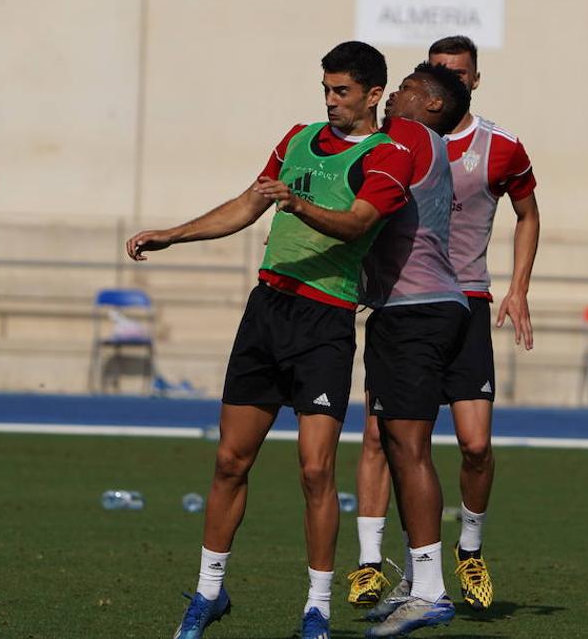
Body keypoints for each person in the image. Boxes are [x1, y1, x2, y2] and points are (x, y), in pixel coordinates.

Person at [126, 41, 413, 639]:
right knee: (230, 460)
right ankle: (209, 592)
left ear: (373, 94)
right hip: (268, 311)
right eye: (326, 91)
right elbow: (248, 203)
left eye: (342, 92)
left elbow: (359, 223)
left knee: (314, 471)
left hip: (324, 323)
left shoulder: (389, 156)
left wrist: (298, 203)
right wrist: (173, 235)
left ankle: (316, 608)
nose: (331, 102)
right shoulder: (298, 139)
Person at [349, 36, 539, 615]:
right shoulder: (393, 140)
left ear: (468, 84)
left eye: (451, 73)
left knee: (475, 445)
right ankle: (372, 563)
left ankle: (468, 552)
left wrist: (519, 287)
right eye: (430, 70)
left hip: (466, 303)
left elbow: (528, 212)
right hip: (406, 305)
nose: (438, 77)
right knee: (389, 437)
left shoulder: (499, 146)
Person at [357, 63, 473, 637]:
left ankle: (430, 591)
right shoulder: (418, 141)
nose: (392, 96)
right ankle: (416, 582)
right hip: (413, 309)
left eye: (402, 88)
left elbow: (352, 180)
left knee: (410, 448)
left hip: (416, 310)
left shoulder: (405, 136)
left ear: (429, 104)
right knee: (401, 449)